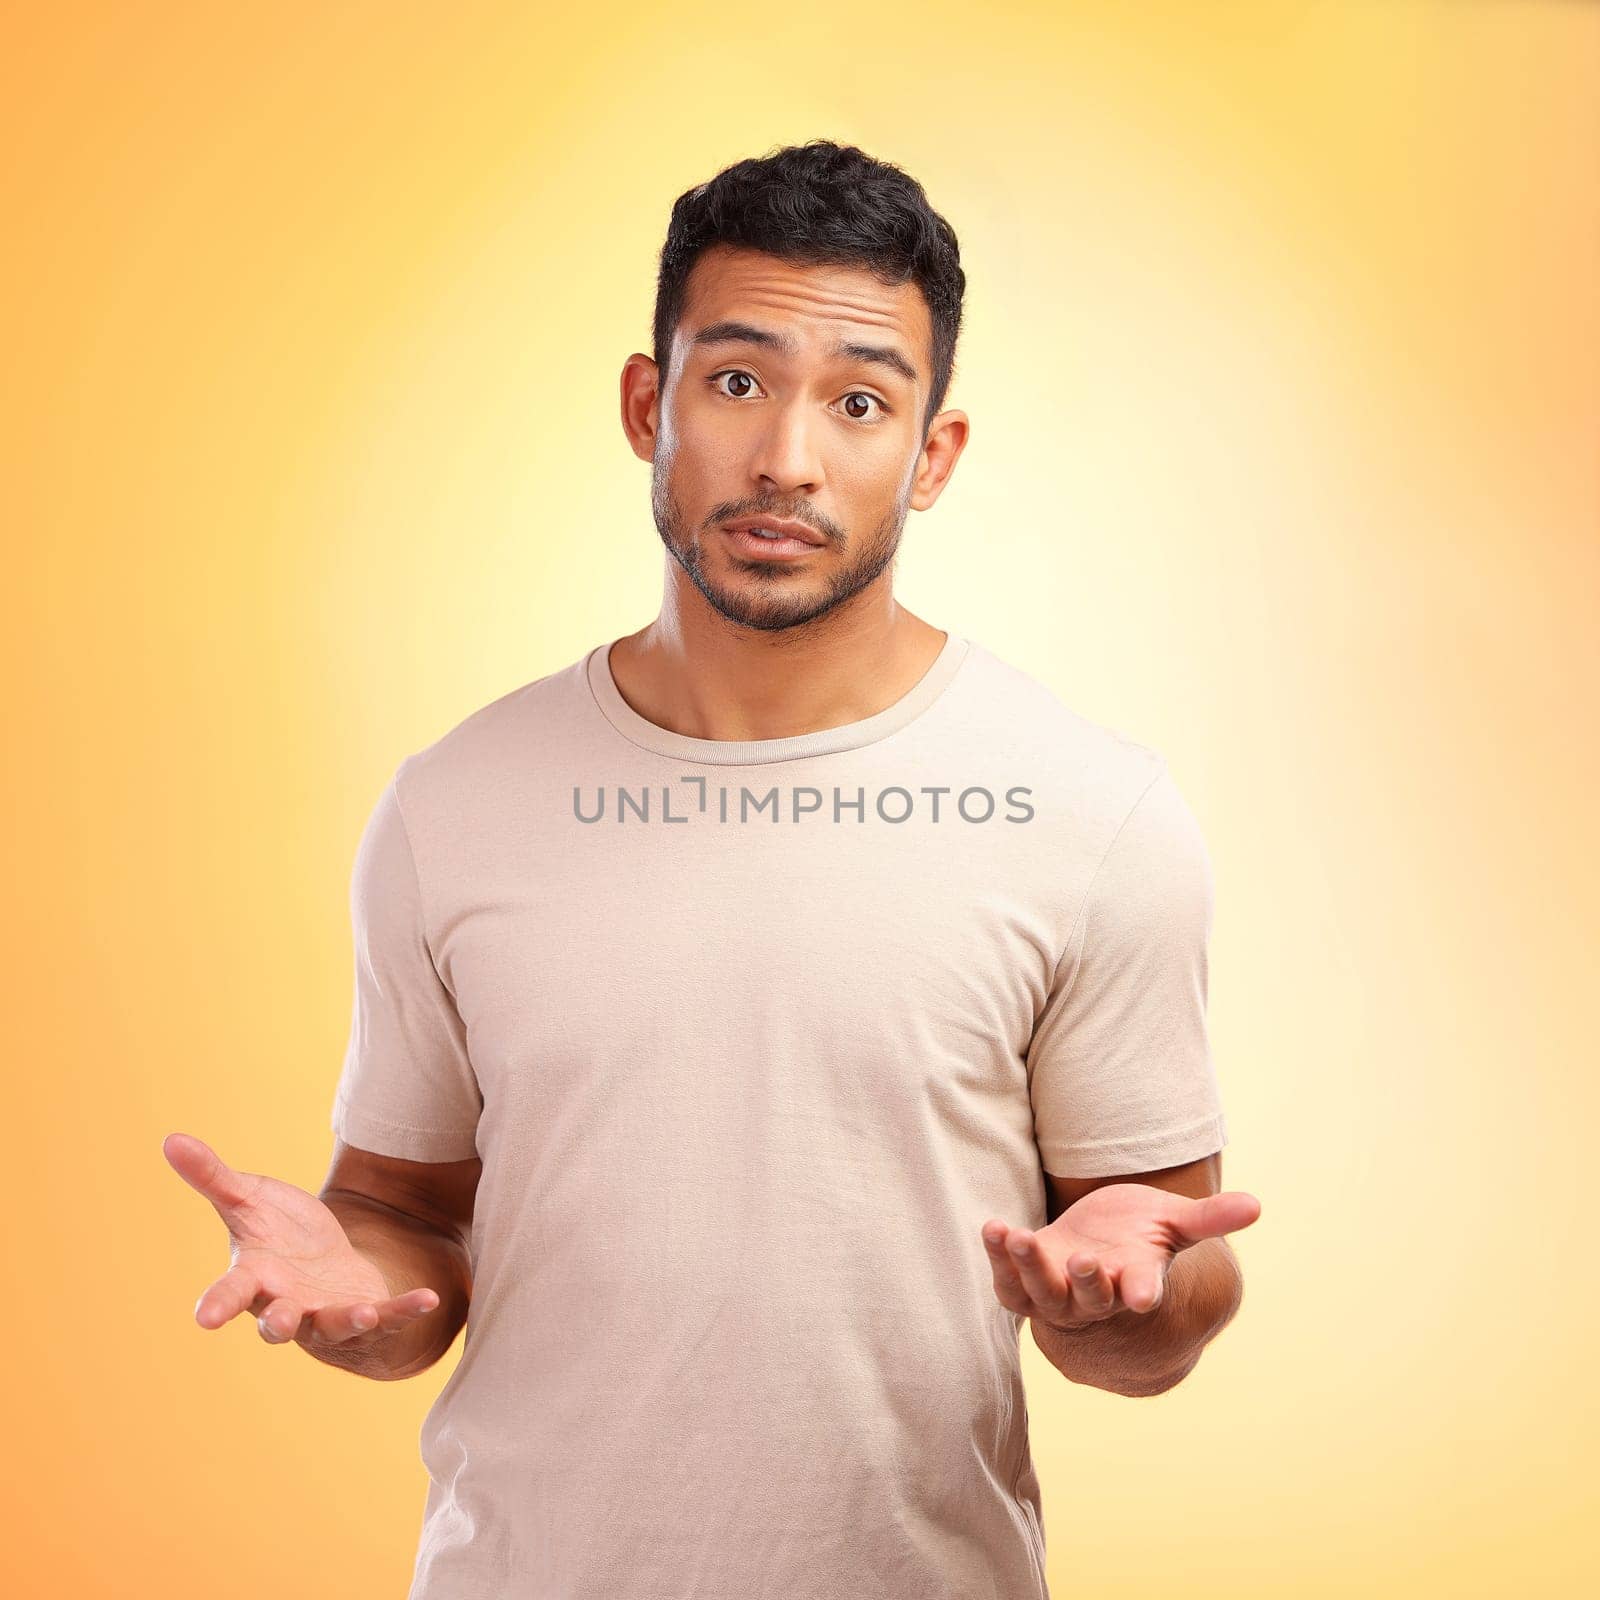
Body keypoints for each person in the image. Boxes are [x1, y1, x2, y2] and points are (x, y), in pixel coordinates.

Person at [164, 138, 1261, 1599]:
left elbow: (1169, 1281)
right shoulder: (458, 804)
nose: (787, 459)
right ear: (648, 402)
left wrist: (1124, 1303)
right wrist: (363, 1282)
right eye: (735, 382)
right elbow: (409, 1213)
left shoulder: (1088, 814)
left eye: (861, 403)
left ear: (931, 453)